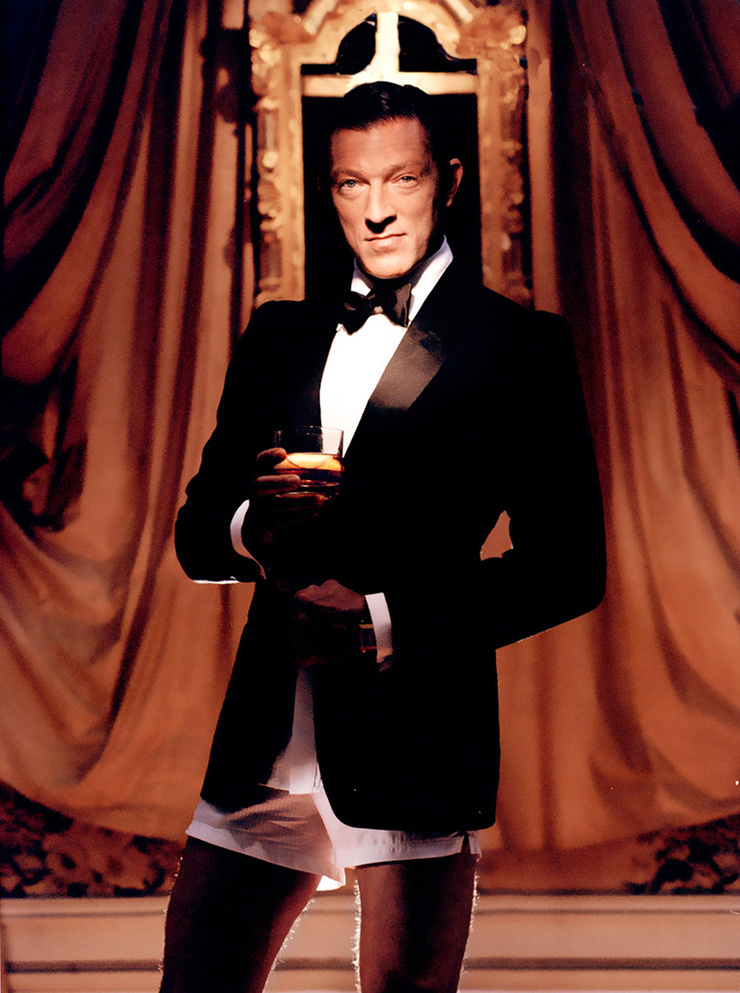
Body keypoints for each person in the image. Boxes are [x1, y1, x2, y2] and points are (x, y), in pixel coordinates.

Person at [160, 81, 606, 993]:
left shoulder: (518, 347)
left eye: (401, 178)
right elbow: (200, 535)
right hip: (265, 735)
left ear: (448, 180)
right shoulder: (279, 334)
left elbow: (570, 567)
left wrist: (382, 621)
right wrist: (253, 525)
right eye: (351, 183)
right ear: (327, 190)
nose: (376, 210)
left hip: (416, 730)